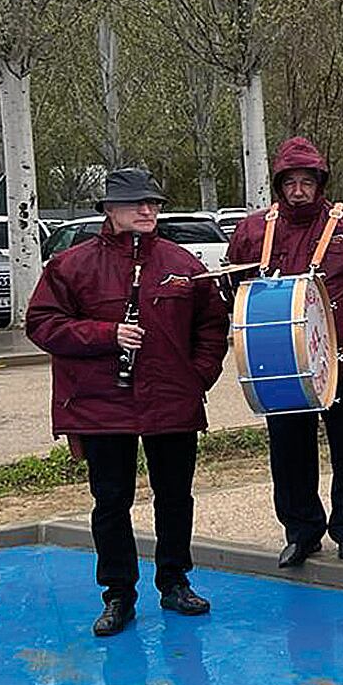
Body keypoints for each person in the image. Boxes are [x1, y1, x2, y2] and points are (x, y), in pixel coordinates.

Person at [25, 169, 228, 636]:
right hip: (102, 403)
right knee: (111, 501)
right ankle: (118, 594)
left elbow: (212, 326)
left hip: (171, 400)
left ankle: (175, 582)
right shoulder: (72, 265)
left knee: (175, 496)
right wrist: (106, 334)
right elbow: (42, 324)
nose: (147, 211)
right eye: (136, 204)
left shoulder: (184, 264)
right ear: (109, 210)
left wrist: (197, 376)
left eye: (153, 203)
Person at [228, 138, 343, 568]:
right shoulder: (254, 230)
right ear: (279, 185)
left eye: (307, 181)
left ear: (320, 183)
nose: (299, 190)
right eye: (291, 182)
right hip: (280, 366)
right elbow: (234, 287)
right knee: (289, 453)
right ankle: (301, 532)